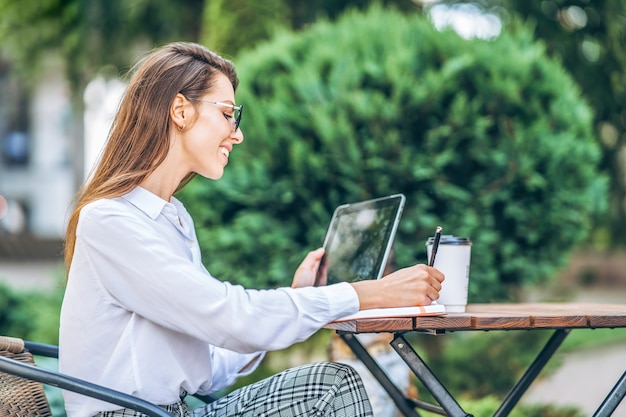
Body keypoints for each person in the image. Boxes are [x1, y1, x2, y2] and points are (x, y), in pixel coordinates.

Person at [59, 41, 444, 417]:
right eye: (228, 114)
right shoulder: (110, 222)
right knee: (333, 386)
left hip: (173, 410)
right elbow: (231, 317)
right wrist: (365, 294)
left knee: (329, 385)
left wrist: (298, 296)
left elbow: (210, 365)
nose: (237, 133)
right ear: (180, 110)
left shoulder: (172, 218)